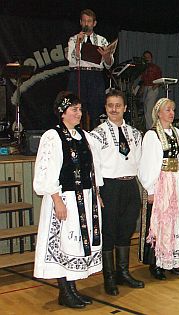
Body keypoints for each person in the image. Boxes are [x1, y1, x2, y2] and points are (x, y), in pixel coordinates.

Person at [33, 92, 102, 309]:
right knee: (64, 243)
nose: (79, 113)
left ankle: (72, 289)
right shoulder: (53, 137)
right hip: (65, 198)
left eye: (80, 109)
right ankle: (64, 290)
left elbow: (93, 168)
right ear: (63, 113)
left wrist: (97, 194)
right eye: (74, 110)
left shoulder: (84, 136)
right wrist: (57, 201)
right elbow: (48, 171)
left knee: (75, 244)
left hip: (85, 197)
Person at [89, 89, 144, 296]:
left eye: (118, 105)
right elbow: (93, 166)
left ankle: (123, 272)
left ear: (125, 108)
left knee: (126, 229)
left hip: (130, 185)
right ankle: (109, 277)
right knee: (109, 231)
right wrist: (97, 192)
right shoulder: (97, 135)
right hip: (109, 187)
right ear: (105, 108)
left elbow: (140, 162)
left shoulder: (135, 133)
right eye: (110, 105)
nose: (114, 109)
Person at [138, 98, 179, 279]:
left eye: (173, 109)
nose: (171, 113)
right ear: (158, 113)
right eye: (168, 110)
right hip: (161, 182)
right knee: (160, 222)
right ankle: (156, 263)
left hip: (175, 181)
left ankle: (172, 260)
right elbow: (148, 163)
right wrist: (151, 189)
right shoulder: (152, 135)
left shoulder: (177, 133)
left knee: (176, 220)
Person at [67, 9, 114, 130]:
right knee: (76, 105)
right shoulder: (73, 39)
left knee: (96, 108)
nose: (86, 24)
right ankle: (77, 135)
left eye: (89, 21)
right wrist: (78, 43)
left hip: (95, 76)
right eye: (84, 21)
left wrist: (106, 56)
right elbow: (71, 60)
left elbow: (108, 65)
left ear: (94, 23)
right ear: (80, 22)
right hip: (78, 74)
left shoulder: (102, 40)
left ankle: (95, 135)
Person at [138, 50, 162, 129]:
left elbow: (160, 79)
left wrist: (155, 86)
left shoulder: (156, 68)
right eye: (145, 57)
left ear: (151, 58)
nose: (147, 58)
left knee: (149, 109)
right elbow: (142, 80)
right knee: (146, 109)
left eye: (148, 57)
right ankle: (149, 127)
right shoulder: (143, 68)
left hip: (152, 88)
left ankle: (151, 128)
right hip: (146, 88)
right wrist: (141, 88)